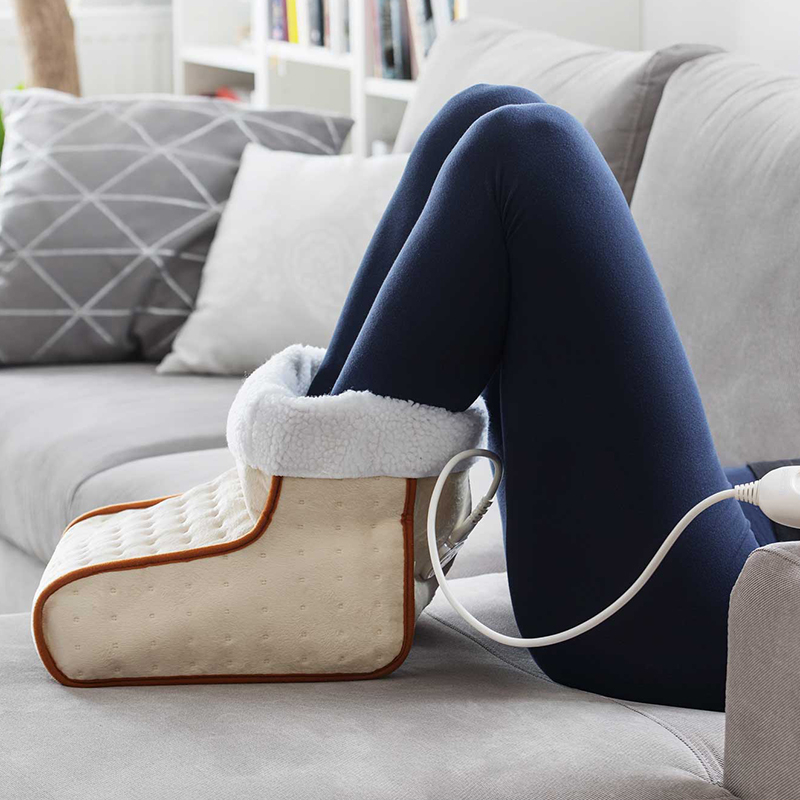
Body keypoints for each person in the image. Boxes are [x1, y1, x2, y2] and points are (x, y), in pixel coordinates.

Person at [307, 84, 781, 711]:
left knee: (526, 151)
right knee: (483, 109)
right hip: (767, 512)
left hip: (750, 615)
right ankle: (294, 489)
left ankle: (308, 535)